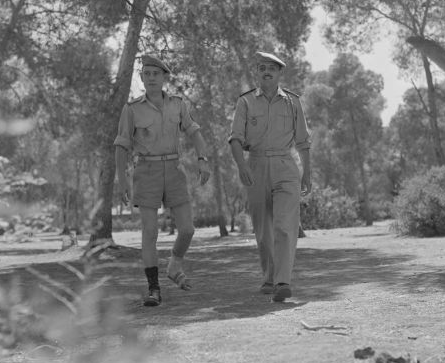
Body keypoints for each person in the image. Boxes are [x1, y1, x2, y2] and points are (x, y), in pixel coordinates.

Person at [114, 54, 211, 306]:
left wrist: (203, 159)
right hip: (146, 171)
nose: (151, 78)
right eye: (147, 74)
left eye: (156, 73)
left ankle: (174, 264)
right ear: (142, 78)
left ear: (165, 77)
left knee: (188, 229)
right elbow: (122, 146)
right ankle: (153, 288)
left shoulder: (178, 104)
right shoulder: (132, 109)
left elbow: (194, 131)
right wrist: (122, 181)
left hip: (174, 168)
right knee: (150, 232)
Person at [228, 51, 311, 302]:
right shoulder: (245, 102)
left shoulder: (293, 102)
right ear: (257, 72)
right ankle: (269, 277)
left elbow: (304, 141)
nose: (266, 72)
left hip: (286, 166)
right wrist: (242, 166)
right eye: (262, 68)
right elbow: (234, 139)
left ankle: (283, 281)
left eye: (272, 68)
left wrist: (307, 172)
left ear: (279, 73)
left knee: (284, 225)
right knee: (263, 230)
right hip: (256, 165)